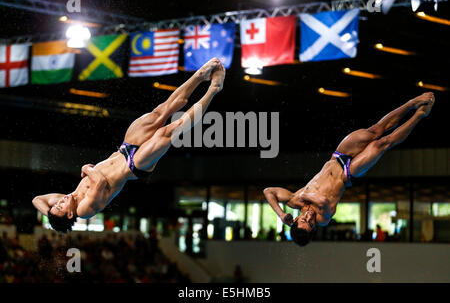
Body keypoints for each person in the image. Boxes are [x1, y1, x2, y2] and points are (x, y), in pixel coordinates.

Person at [32, 58, 226, 233]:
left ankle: (199, 76)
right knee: (170, 130)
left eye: (55, 205)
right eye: (60, 207)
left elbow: (37, 200)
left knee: (161, 111)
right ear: (69, 215)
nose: (60, 201)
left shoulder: (66, 198)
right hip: (134, 165)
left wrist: (50, 214)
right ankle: (214, 89)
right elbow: (99, 182)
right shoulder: (83, 210)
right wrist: (86, 168)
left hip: (124, 148)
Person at [264, 93, 435, 246]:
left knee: (375, 130)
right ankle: (419, 115)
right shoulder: (322, 218)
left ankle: (412, 102)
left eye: (303, 220)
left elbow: (268, 192)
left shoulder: (294, 201)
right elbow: (322, 201)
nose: (309, 218)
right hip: (348, 172)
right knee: (382, 143)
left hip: (337, 156)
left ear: (294, 220)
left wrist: (280, 214)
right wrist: (304, 195)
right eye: (310, 224)